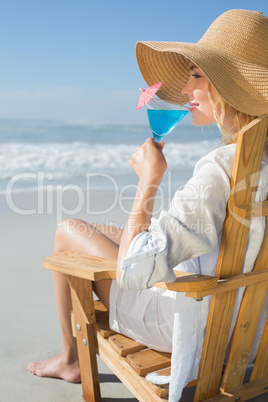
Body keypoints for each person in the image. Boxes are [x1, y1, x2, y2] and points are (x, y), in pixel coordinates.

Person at [28, 9, 268, 401]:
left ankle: (70, 360)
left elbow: (133, 270)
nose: (187, 90)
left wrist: (148, 180)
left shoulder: (219, 170)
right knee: (101, 232)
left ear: (227, 87)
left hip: (187, 320)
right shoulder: (257, 162)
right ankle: (69, 358)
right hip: (249, 324)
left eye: (195, 75)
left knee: (68, 230)